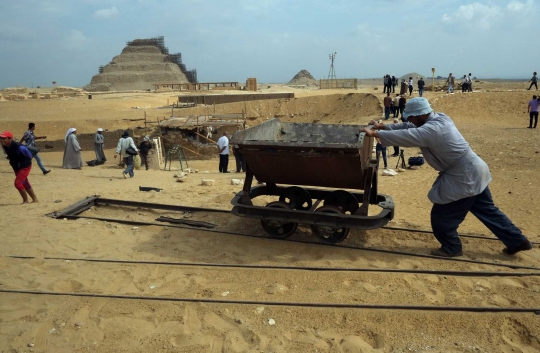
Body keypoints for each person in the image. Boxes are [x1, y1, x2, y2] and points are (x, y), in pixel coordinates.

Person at [359, 97, 533, 257]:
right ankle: (518, 241)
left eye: (411, 116)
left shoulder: (431, 130)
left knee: (441, 217)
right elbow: (410, 128)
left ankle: (452, 247)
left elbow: (411, 135)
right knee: (488, 211)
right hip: (475, 170)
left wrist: (375, 134)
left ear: (421, 114)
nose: (409, 120)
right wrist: (384, 127)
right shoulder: (439, 118)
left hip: (463, 176)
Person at [1, 131, 38, 204]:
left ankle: (25, 201)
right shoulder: (5, 146)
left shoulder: (19, 147)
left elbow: (29, 155)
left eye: (4, 138)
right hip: (16, 167)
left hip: (24, 166)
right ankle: (35, 199)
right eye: (1, 138)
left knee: (18, 183)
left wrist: (22, 162)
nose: (2, 140)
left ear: (10, 139)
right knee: (24, 182)